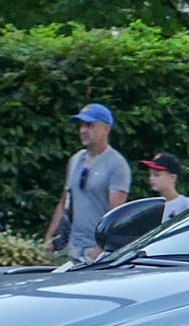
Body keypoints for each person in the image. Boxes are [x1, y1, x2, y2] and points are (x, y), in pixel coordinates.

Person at [43, 102, 130, 262]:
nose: (83, 130)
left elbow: (116, 214)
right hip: (73, 248)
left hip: (99, 253)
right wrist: (49, 238)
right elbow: (64, 202)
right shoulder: (76, 159)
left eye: (90, 125)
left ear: (106, 129)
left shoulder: (117, 164)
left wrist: (100, 248)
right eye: (81, 125)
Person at [142, 152, 189, 226]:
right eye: (150, 175)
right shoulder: (151, 207)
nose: (151, 178)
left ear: (172, 177)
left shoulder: (186, 204)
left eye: (156, 175)